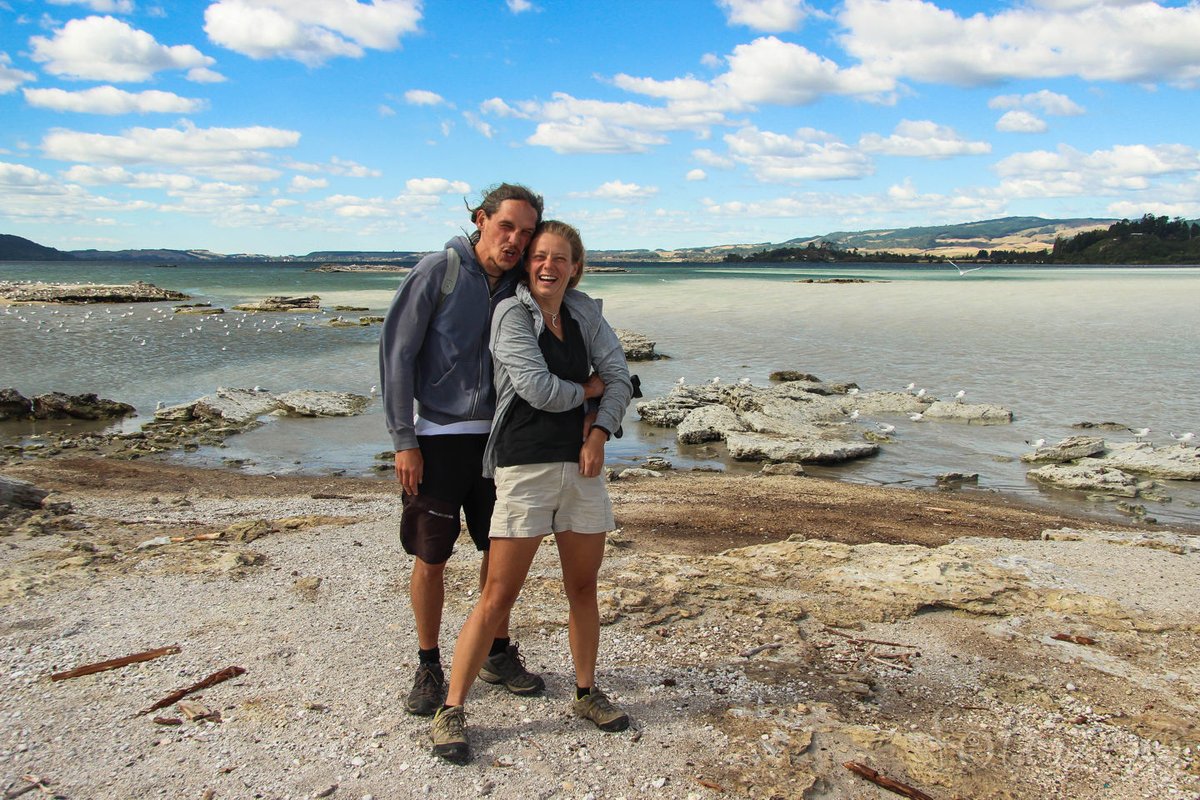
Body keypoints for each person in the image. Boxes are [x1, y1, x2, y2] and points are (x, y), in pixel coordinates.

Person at [429, 220, 634, 765]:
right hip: (523, 466)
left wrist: (596, 433)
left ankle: (586, 693)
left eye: (560, 258)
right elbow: (536, 389)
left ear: (576, 266)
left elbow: (621, 378)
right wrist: (587, 390)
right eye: (540, 256)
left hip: (582, 469)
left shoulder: (586, 312)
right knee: (497, 595)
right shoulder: (510, 314)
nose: (548, 266)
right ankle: (452, 708)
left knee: (583, 588)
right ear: (528, 265)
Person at [378, 183, 547, 717]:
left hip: (501, 441)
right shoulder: (439, 270)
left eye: (526, 231)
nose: (515, 239)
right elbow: (396, 356)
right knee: (432, 556)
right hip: (436, 438)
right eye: (506, 227)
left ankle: (496, 651)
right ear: (481, 219)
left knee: (496, 554)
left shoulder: (522, 284)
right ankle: (429, 663)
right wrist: (404, 439)